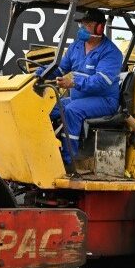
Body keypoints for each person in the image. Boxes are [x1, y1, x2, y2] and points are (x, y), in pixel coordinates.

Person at [35, 9, 123, 169]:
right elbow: (61, 68)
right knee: (46, 108)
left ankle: (69, 162)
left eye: (87, 24)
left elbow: (100, 82)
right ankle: (45, 153)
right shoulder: (76, 46)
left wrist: (74, 83)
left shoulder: (111, 53)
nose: (82, 28)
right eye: (82, 24)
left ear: (99, 28)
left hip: (105, 101)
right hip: (78, 98)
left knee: (72, 111)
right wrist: (40, 74)